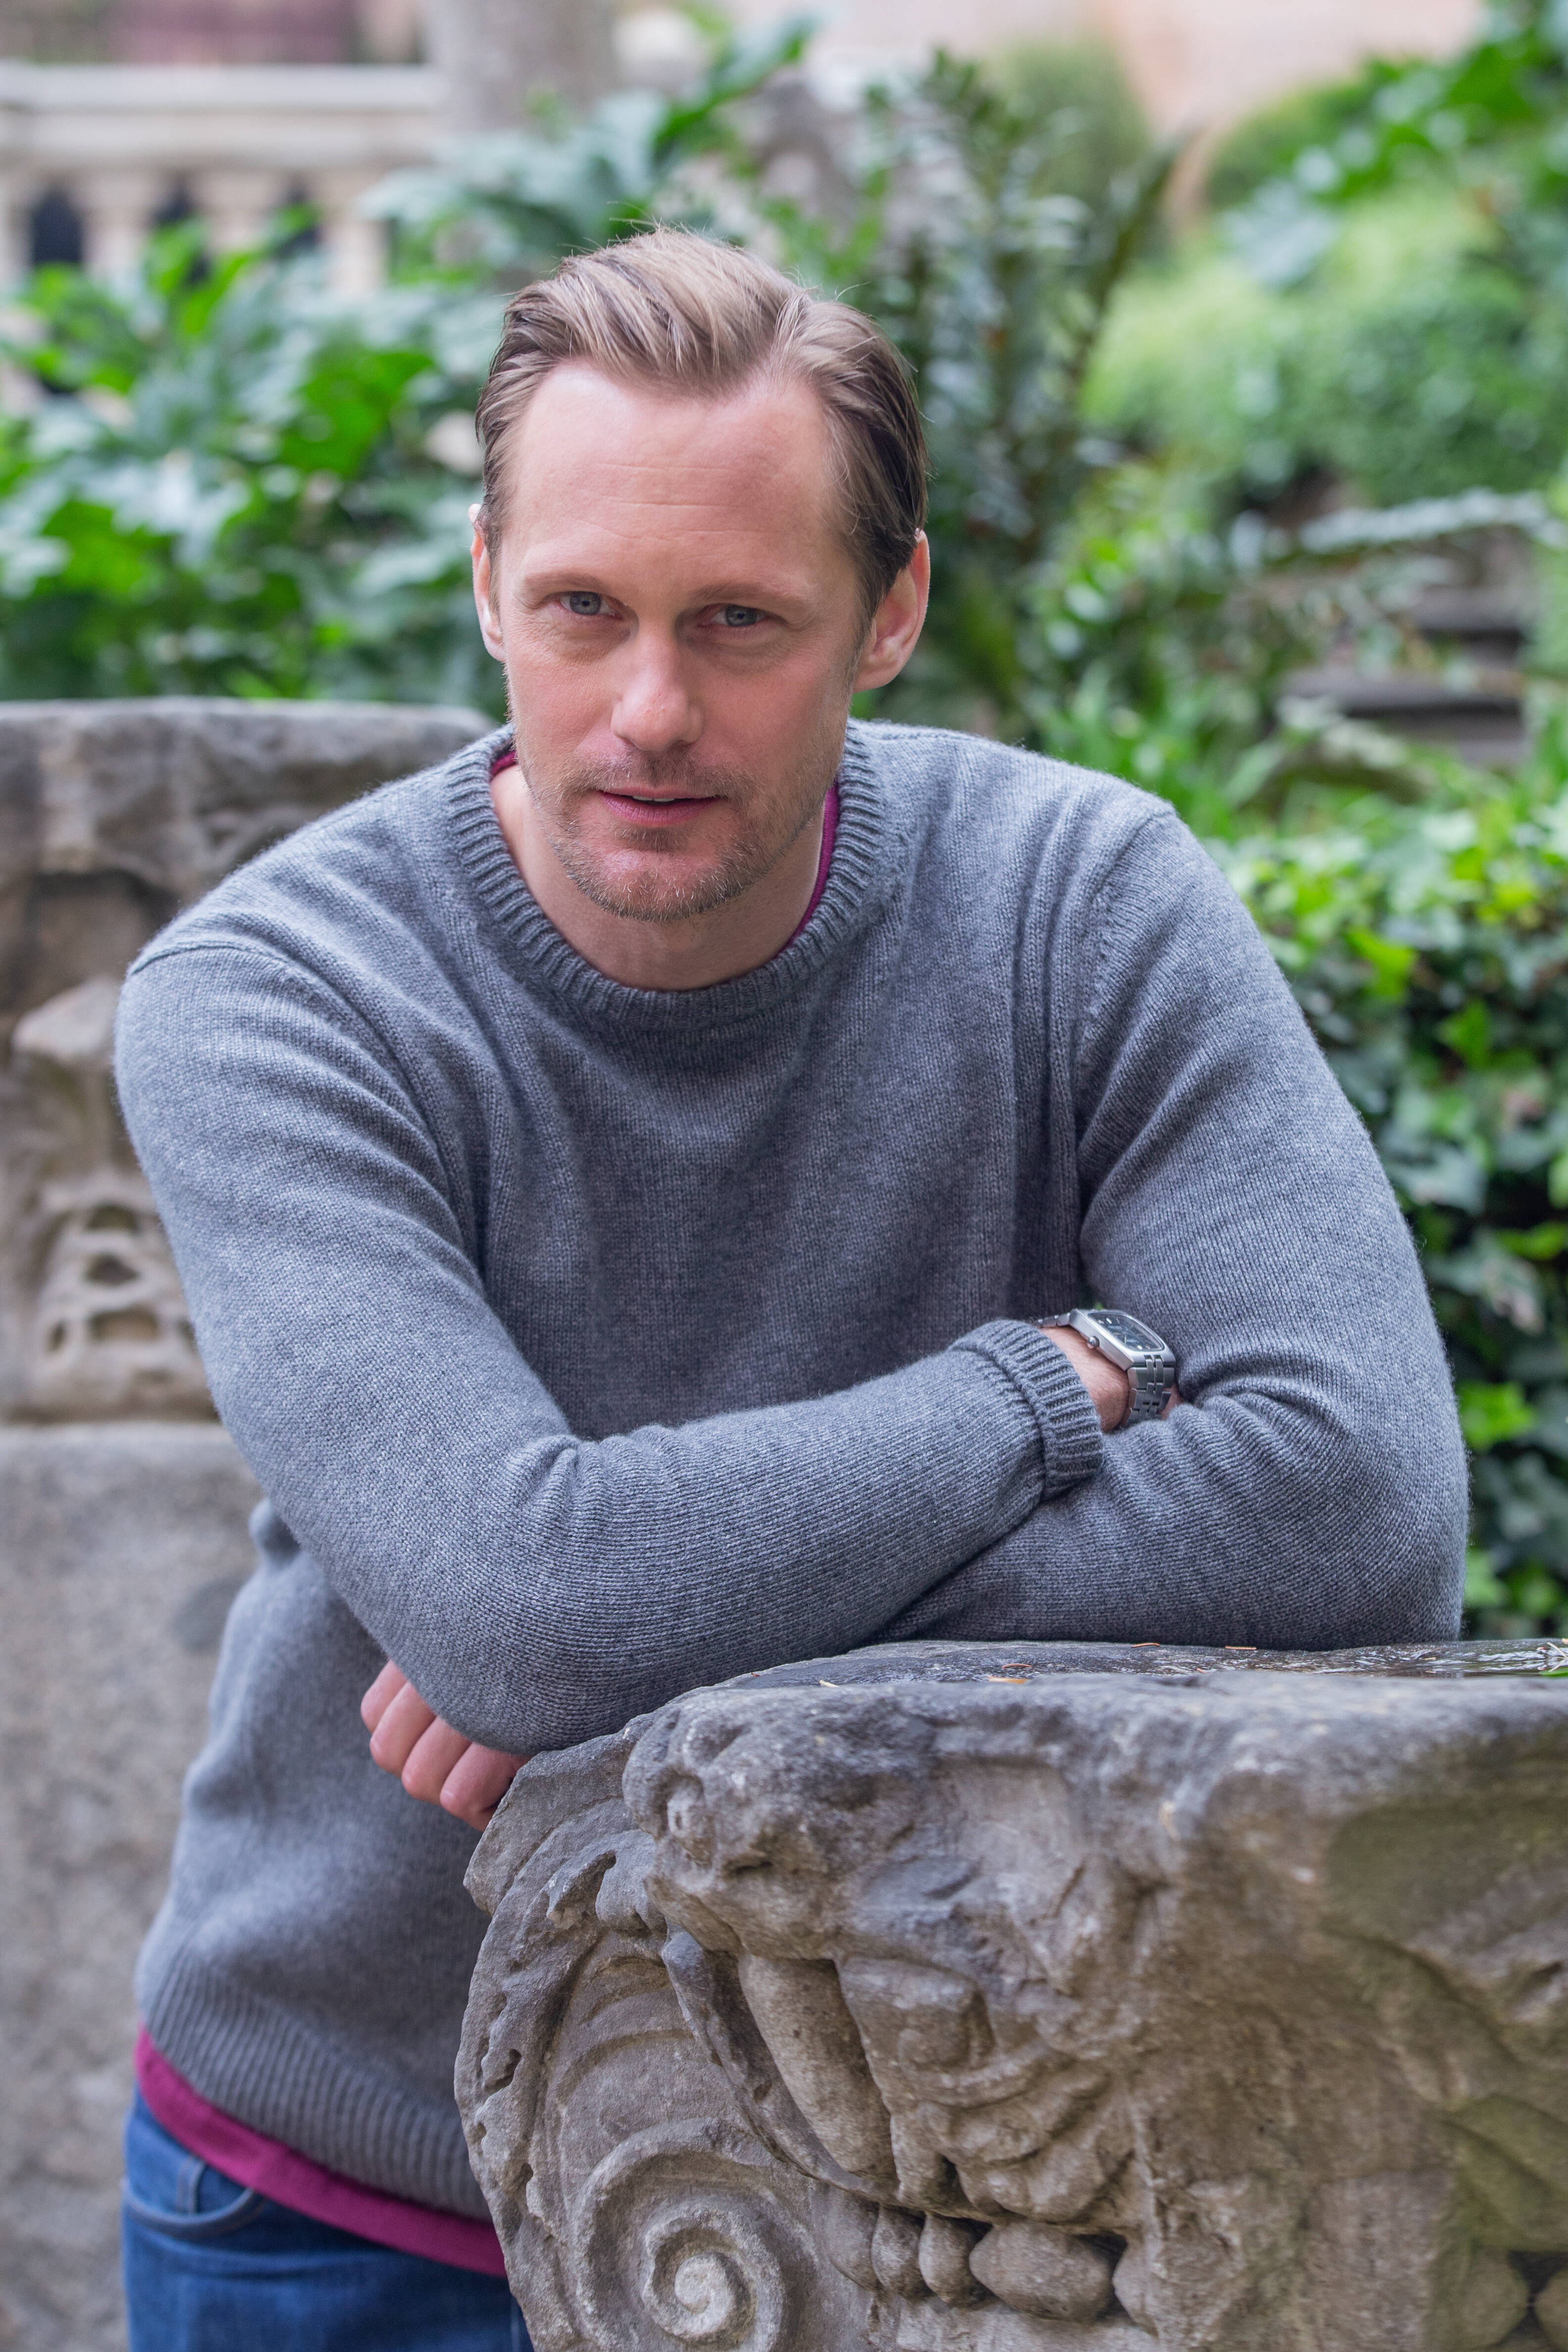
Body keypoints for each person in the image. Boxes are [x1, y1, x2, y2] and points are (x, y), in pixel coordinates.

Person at [112, 228, 1467, 2351]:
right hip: (360, 2188)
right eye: (585, 609)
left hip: (966, 2190)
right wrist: (1037, 1388)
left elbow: (1364, 1506)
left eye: (740, 622)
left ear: (890, 610)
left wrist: (641, 1627)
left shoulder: (1081, 904)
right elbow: (523, 1606)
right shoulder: (281, 994)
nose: (651, 711)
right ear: (489, 584)